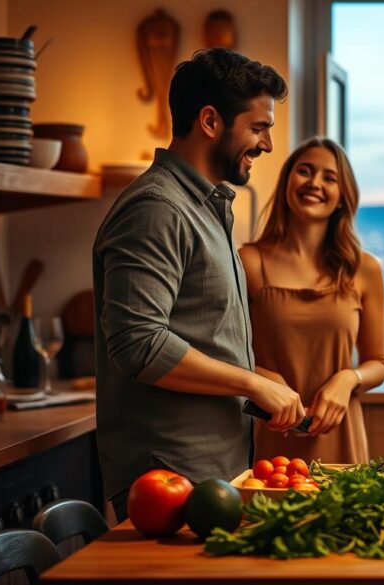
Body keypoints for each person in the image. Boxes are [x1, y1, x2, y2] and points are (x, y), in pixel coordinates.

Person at [93, 48, 304, 521]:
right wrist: (249, 381)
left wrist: (255, 378)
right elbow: (138, 344)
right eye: (258, 127)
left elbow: (193, 330)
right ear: (210, 121)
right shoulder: (158, 208)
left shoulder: (203, 207)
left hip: (208, 470)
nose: (267, 145)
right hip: (169, 474)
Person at [239, 136, 384, 463]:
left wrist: (349, 378)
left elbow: (378, 362)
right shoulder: (248, 261)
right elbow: (225, 352)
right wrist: (261, 376)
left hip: (341, 438)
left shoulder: (364, 269)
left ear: (341, 197)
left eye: (329, 177)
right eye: (304, 171)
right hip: (269, 437)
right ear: (287, 183)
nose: (314, 183)